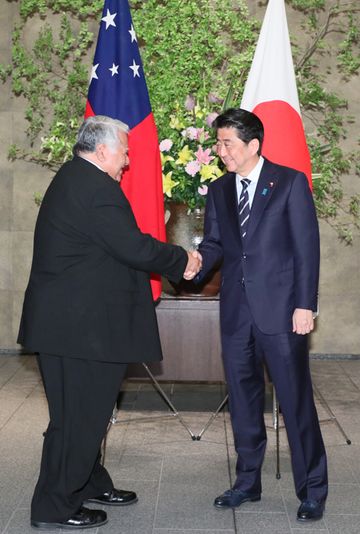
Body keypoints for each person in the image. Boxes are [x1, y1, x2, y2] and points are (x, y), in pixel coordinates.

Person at [18, 115, 201, 530]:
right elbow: (131, 246)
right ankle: (54, 506)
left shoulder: (77, 179)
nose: (128, 159)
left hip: (72, 324)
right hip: (81, 329)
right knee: (80, 417)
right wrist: (182, 259)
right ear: (102, 150)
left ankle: (88, 483)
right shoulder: (95, 189)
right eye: (124, 150)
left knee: (83, 414)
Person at [193, 108, 327, 522]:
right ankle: (247, 482)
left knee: (294, 400)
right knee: (244, 402)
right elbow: (216, 244)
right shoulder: (218, 191)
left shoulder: (289, 183)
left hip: (284, 311)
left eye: (227, 143)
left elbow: (307, 248)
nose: (220, 151)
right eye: (217, 143)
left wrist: (306, 305)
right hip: (236, 313)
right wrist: (195, 260)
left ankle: (312, 489)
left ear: (253, 144)